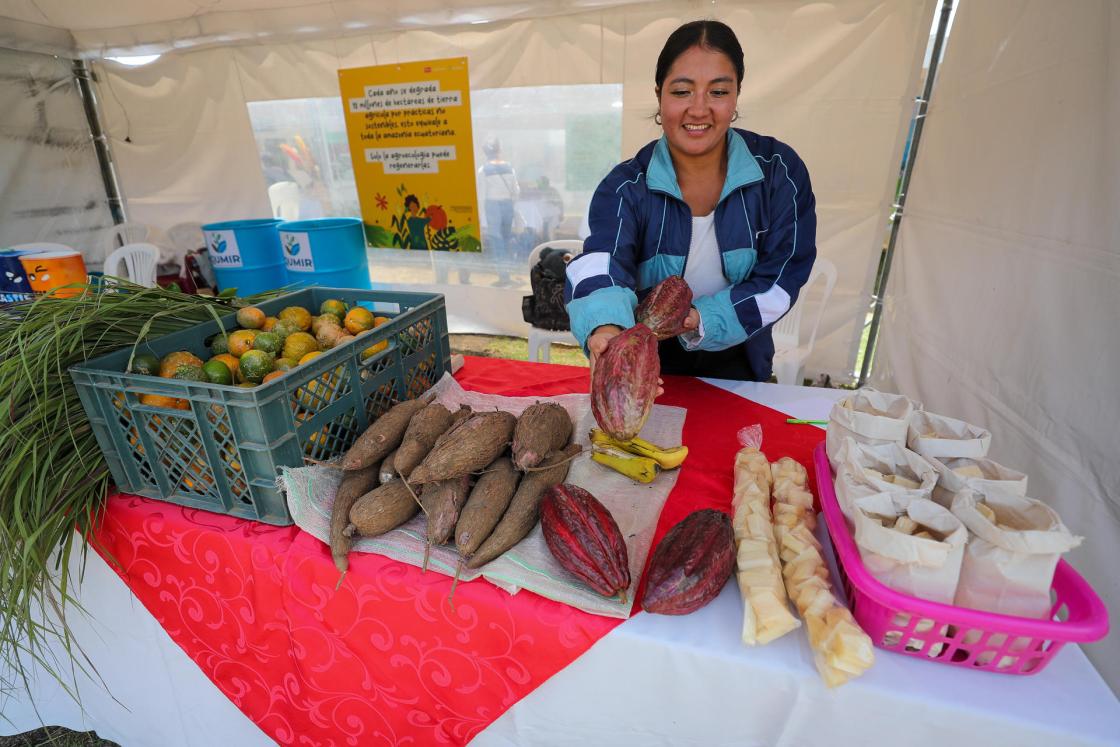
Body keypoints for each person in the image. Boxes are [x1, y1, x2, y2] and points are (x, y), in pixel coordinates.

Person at [564, 20, 817, 382]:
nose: (698, 110)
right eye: (682, 91)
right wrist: (606, 329)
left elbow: (782, 276)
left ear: (737, 95)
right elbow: (601, 262)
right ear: (659, 95)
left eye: (718, 91)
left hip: (741, 359)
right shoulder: (625, 187)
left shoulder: (779, 173)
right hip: (645, 361)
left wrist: (700, 318)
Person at [478, 136, 520, 284]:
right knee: (506, 239)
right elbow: (516, 191)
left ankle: (503, 275)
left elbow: (481, 195)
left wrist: (480, 216)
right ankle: (507, 273)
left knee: (497, 241)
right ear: (499, 151)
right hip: (507, 205)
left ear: (485, 153)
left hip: (492, 206)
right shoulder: (509, 168)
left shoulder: (484, 170)